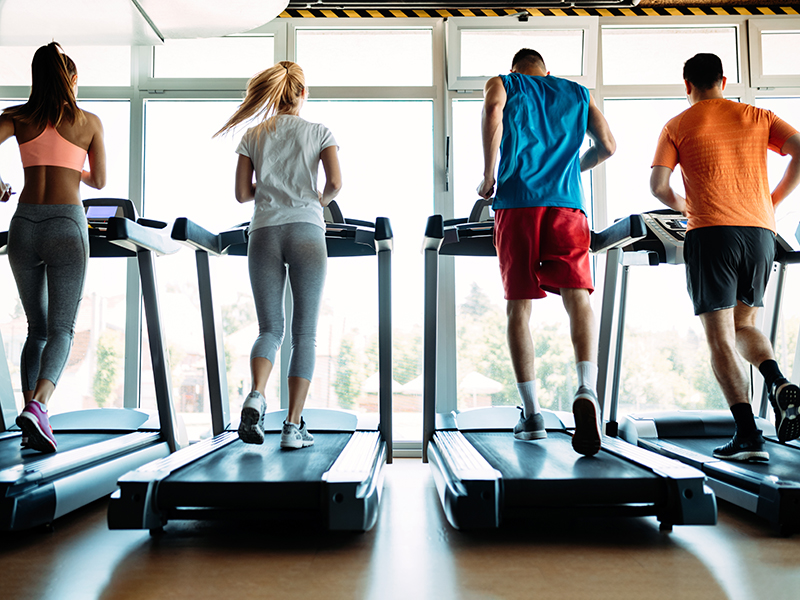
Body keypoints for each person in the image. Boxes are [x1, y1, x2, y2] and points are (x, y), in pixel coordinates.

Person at [650, 53, 800, 462]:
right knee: (744, 323)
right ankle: (777, 379)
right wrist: (770, 202)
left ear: (687, 85)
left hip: (711, 232)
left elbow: (658, 186)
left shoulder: (677, 125)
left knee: (719, 335)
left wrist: (684, 206)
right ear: (724, 80)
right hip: (760, 232)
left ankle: (748, 436)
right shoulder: (758, 115)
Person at [477, 48, 616, 456]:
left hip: (517, 202)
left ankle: (533, 414)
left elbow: (492, 111)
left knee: (519, 308)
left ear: (514, 69)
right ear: (547, 71)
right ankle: (586, 387)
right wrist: (572, 168)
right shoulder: (576, 92)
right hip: (568, 204)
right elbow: (607, 146)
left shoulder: (504, 83)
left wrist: (489, 175)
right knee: (578, 299)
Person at [215, 61, 341, 450]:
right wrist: (313, 201)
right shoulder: (320, 132)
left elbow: (241, 193)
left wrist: (271, 190)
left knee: (269, 329)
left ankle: (256, 395)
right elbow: (335, 183)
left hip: (264, 232)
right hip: (306, 229)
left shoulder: (254, 134)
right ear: (303, 94)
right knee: (305, 334)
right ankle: (292, 426)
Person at [0, 42, 106, 453]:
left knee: (36, 329)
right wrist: (70, 161)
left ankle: (30, 415)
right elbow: (98, 181)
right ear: (72, 80)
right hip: (66, 222)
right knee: (62, 329)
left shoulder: (18, 117)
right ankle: (39, 406)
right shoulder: (88, 122)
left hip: (23, 224)